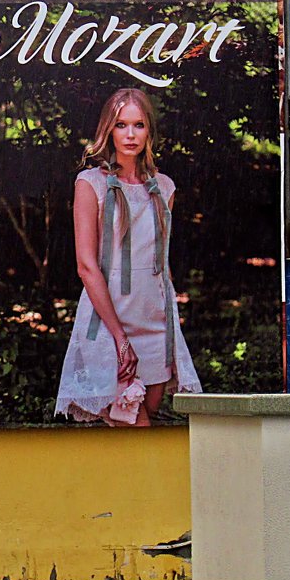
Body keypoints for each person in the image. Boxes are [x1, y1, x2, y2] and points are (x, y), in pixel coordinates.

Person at [55, 87, 203, 427]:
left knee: (141, 423)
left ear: (149, 129)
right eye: (122, 125)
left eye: (138, 125)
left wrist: (171, 327)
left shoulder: (164, 187)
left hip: (155, 322)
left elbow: (161, 263)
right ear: (109, 128)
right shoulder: (90, 183)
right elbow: (86, 266)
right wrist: (119, 338)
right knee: (134, 424)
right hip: (109, 321)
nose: (131, 134)